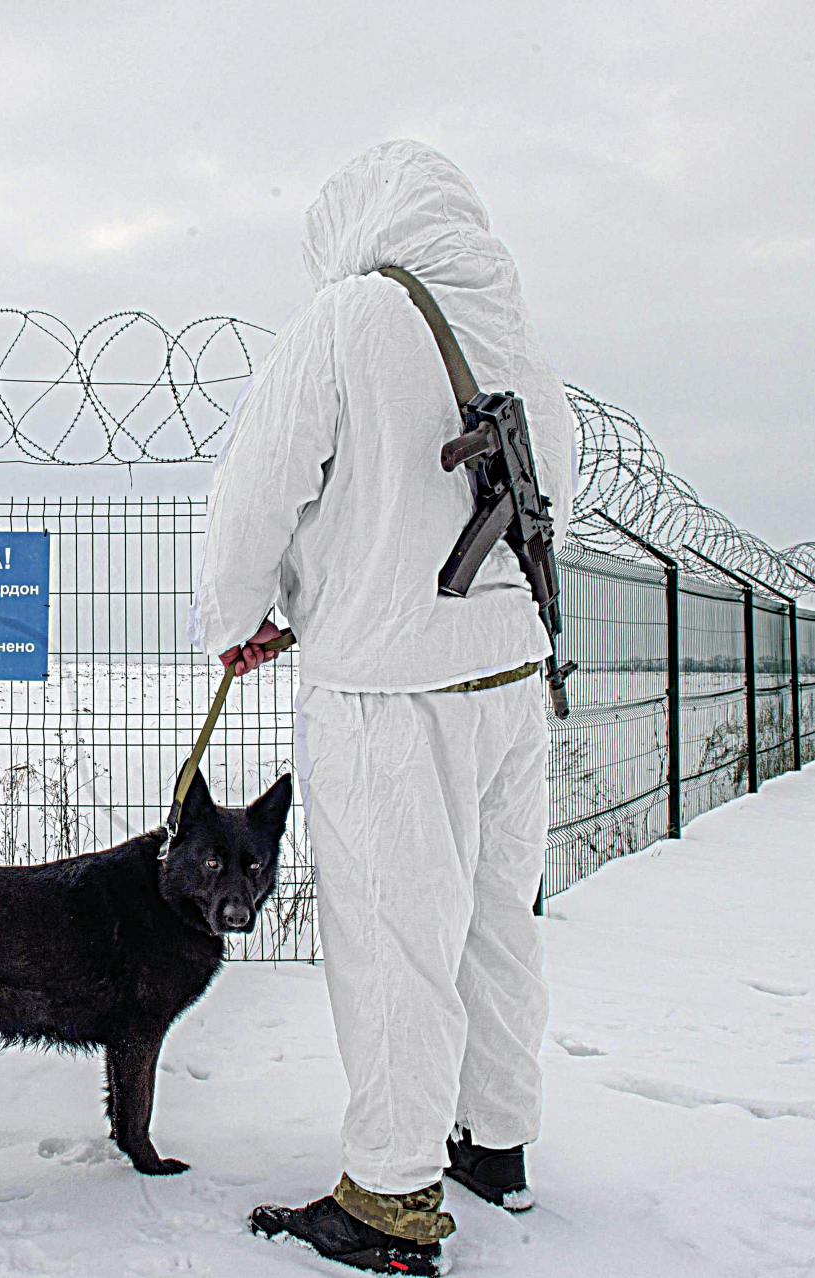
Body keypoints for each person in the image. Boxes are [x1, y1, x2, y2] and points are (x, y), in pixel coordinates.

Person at [192, 139, 577, 1276]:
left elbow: (256, 488)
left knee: (394, 937)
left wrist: (238, 613)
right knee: (497, 924)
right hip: (510, 674)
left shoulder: (351, 317)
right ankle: (492, 1137)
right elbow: (561, 486)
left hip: (387, 690)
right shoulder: (515, 335)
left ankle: (390, 1198)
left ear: (355, 220)